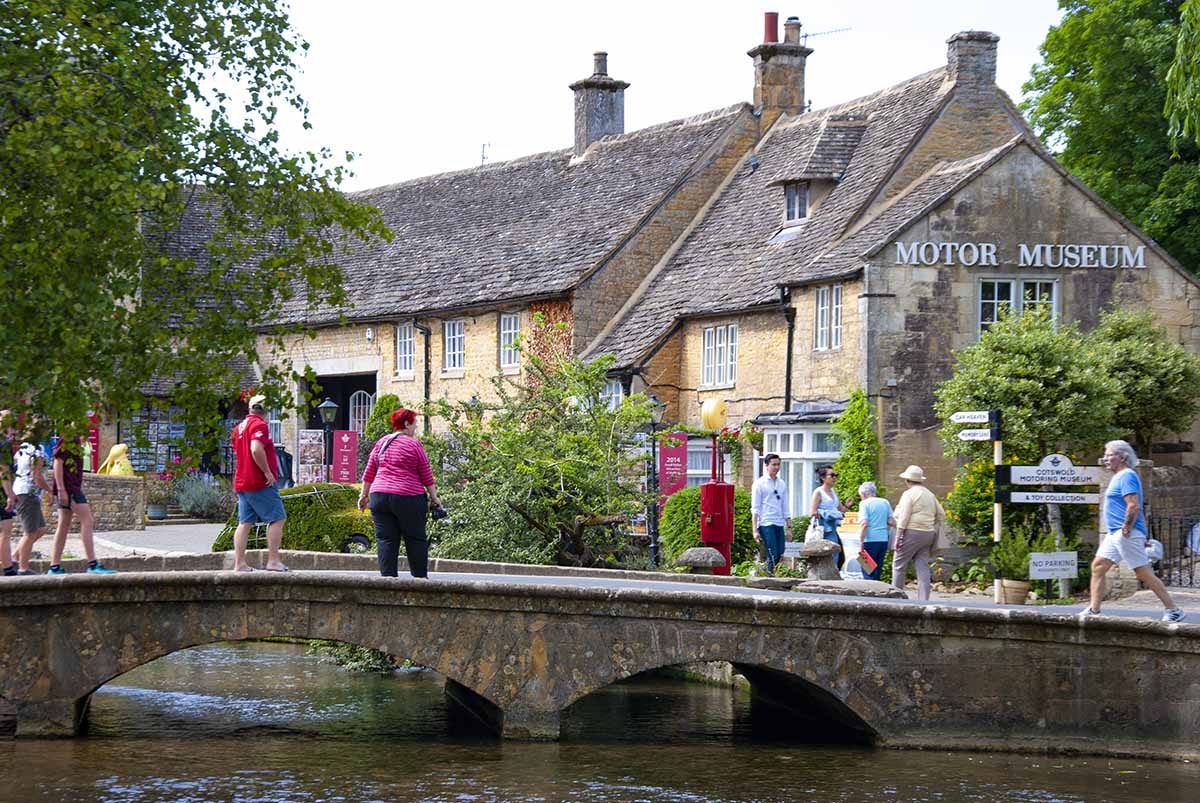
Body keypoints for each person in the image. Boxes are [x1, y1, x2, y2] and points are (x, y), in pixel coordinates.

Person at [1083, 440, 1185, 622]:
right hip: (1115, 533)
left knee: (1143, 572)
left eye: (1109, 455)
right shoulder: (1118, 476)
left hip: (1125, 532)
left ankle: (1173, 609)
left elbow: (1133, 505)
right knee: (1098, 566)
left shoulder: (1127, 476)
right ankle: (1094, 610)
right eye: (1105, 455)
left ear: (1122, 457)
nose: (1105, 459)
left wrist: (1127, 528)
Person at [357, 408, 443, 579]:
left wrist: (363, 495)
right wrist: (434, 498)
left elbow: (370, 471)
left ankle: (388, 582)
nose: (415, 428)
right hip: (408, 497)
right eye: (414, 424)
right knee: (415, 538)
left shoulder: (381, 442)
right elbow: (426, 474)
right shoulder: (414, 444)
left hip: (379, 496)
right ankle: (420, 581)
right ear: (406, 424)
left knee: (386, 540)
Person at [230, 394, 288, 573]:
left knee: (245, 523)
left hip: (242, 481)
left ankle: (239, 563)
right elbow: (255, 448)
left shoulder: (239, 427)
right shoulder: (259, 425)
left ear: (250, 408)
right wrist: (267, 472)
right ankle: (273, 561)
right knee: (278, 518)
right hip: (258, 482)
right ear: (265, 410)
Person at [47, 436, 116, 574]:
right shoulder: (69, 437)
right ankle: (92, 565)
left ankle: (54, 567)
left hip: (69, 488)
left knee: (63, 525)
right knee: (88, 520)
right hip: (70, 489)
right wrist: (61, 490)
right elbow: (57, 462)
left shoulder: (77, 439)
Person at [892, 465, 945, 600]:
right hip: (928, 533)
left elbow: (904, 517)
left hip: (911, 532)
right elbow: (941, 514)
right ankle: (923, 599)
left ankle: (896, 597)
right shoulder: (930, 494)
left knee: (899, 564)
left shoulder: (909, 494)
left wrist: (898, 537)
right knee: (922, 566)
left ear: (907, 481)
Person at [12, 437, 53, 575]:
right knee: (30, 534)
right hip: (28, 494)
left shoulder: (22, 448)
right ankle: (23, 569)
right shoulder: (37, 450)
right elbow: (37, 477)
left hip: (22, 492)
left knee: (40, 529)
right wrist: (49, 491)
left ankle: (15, 557)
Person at [751, 453, 791, 573]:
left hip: (779, 522)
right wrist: (755, 530)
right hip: (766, 522)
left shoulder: (781, 483)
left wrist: (789, 527)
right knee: (772, 552)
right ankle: (769, 575)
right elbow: (755, 508)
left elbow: (785, 506)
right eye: (773, 464)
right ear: (766, 466)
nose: (776, 467)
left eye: (778, 464)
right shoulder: (759, 484)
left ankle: (761, 571)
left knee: (780, 551)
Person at [810, 465, 850, 569]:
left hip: (833, 527)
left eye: (836, 475)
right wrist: (828, 514)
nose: (834, 477)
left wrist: (847, 506)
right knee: (829, 553)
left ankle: (833, 575)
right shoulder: (819, 492)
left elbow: (841, 510)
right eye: (832, 475)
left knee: (837, 553)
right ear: (823, 478)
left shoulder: (833, 492)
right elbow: (813, 511)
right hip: (824, 527)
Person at [857, 481, 894, 582]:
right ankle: (878, 594)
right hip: (883, 540)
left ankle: (869, 595)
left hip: (869, 540)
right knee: (877, 569)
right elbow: (891, 521)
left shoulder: (864, 503)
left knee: (868, 570)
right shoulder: (885, 502)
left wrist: (861, 542)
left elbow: (864, 524)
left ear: (864, 494)